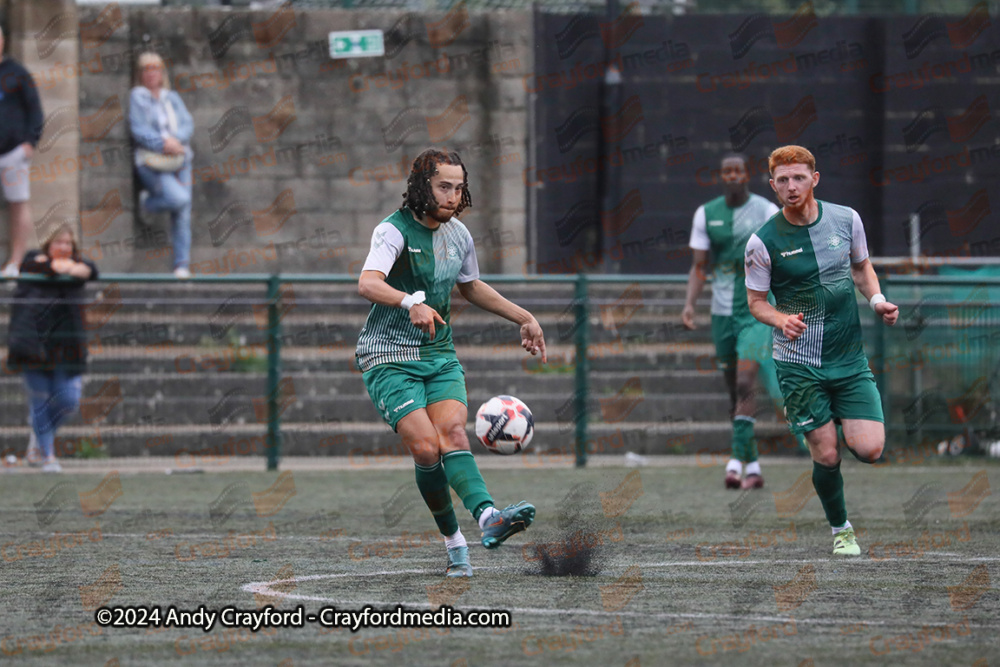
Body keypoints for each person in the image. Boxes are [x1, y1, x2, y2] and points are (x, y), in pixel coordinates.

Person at [356, 148, 546, 577]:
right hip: (388, 357)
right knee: (426, 447)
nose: (453, 196)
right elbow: (368, 283)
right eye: (444, 186)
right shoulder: (393, 231)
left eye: (459, 188)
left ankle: (488, 519)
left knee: (454, 432)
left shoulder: (459, 234)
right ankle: (454, 543)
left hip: (439, 355)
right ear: (422, 185)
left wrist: (526, 317)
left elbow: (471, 287)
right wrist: (410, 303)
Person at [744, 145, 898, 556]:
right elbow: (756, 302)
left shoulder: (847, 219)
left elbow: (861, 266)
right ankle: (841, 530)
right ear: (772, 185)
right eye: (782, 180)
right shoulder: (763, 242)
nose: (791, 187)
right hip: (799, 364)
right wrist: (781, 320)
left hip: (848, 358)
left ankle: (842, 420)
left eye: (798, 178)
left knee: (870, 449)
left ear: (815, 178)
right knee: (827, 453)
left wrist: (877, 299)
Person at [683, 154, 804, 490]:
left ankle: (734, 463)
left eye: (738, 170)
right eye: (727, 171)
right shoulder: (706, 214)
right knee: (733, 389)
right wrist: (690, 305)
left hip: (756, 309)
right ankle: (752, 467)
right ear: (721, 176)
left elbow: (784, 253)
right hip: (721, 312)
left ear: (747, 174)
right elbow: (699, 267)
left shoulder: (766, 211)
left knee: (745, 380)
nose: (733, 175)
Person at [7, 223, 99, 472]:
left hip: (67, 346)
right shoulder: (31, 261)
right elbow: (39, 265)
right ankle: (48, 455)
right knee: (40, 401)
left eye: (68, 243)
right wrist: (56, 267)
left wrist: (69, 268)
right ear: (48, 244)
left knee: (69, 401)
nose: (64, 247)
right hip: (33, 345)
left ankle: (38, 437)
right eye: (58, 242)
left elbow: (90, 270)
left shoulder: (79, 266)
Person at [129, 52, 193, 279]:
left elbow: (187, 123)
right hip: (152, 160)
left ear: (162, 72)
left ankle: (181, 264)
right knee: (179, 199)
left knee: (183, 212)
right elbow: (139, 130)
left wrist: (176, 141)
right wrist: (164, 144)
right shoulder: (138, 97)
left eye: (155, 68)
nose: (151, 73)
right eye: (146, 69)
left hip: (180, 158)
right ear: (140, 73)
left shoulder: (171, 97)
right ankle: (147, 204)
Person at [0, 25, 45, 278]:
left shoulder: (17, 72)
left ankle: (15, 263)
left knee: (18, 204)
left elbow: (35, 110)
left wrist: (30, 142)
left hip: (13, 153)